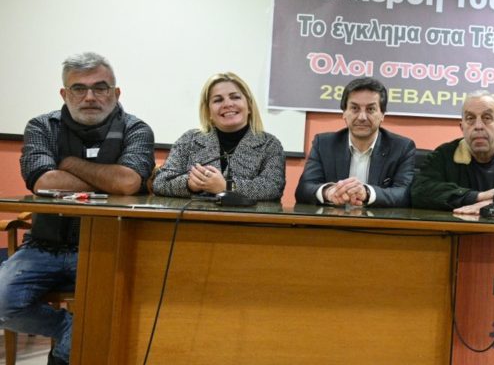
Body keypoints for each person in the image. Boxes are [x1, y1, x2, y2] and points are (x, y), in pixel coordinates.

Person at [3, 52, 155, 365]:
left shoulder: (137, 129)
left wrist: (69, 163)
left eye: (100, 88)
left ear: (116, 93)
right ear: (64, 93)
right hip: (43, 246)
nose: (89, 97)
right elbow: (42, 181)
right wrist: (108, 179)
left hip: (107, 248)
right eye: (78, 88)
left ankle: (63, 355)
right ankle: (70, 330)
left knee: (119, 308)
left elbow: (128, 182)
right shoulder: (42, 126)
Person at [153, 72, 285, 201]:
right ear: (208, 111)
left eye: (235, 97)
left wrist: (227, 187)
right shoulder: (189, 139)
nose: (227, 104)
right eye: (218, 100)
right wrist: (190, 184)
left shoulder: (270, 145)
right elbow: (160, 182)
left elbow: (273, 188)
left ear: (249, 106)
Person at [411, 91, 494, 213]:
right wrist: (479, 196)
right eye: (470, 118)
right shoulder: (444, 155)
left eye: (487, 118)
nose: (478, 126)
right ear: (462, 127)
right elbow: (419, 191)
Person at [295, 78, 417, 207]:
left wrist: (367, 193)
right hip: (333, 218)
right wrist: (328, 192)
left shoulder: (401, 148)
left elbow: (404, 195)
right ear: (344, 112)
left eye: (370, 109)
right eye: (354, 108)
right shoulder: (324, 144)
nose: (362, 117)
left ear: (382, 114)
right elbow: (303, 190)